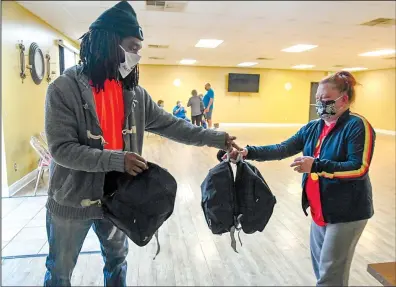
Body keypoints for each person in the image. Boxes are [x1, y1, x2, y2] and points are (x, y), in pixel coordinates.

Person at [43, 2, 238, 286]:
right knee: (59, 272)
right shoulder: (63, 89)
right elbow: (61, 150)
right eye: (132, 47)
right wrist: (118, 159)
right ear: (110, 42)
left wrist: (217, 138)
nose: (136, 55)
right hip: (73, 200)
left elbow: (173, 125)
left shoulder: (133, 93)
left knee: (117, 262)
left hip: (118, 198)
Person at [228, 71, 376, 286]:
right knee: (322, 270)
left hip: (347, 212)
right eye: (317, 99)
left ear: (343, 99)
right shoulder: (313, 127)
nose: (319, 104)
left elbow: (358, 168)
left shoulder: (357, 125)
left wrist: (315, 165)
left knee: (330, 275)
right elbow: (282, 148)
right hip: (320, 208)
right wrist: (248, 152)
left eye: (325, 100)